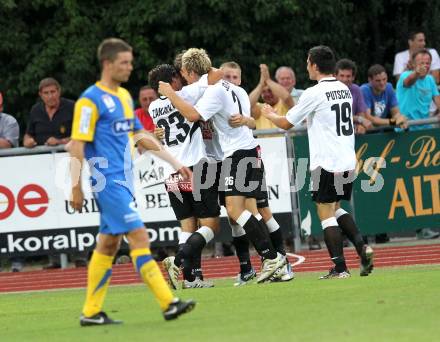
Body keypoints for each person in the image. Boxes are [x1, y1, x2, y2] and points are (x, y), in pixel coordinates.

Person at [69, 38, 195, 326]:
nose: (130, 67)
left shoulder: (125, 97)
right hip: (107, 183)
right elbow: (77, 145)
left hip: (125, 181)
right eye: (124, 62)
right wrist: (75, 187)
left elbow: (142, 136)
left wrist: (176, 163)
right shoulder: (90, 100)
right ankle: (168, 302)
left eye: (130, 61)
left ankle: (90, 312)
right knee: (139, 236)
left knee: (108, 245)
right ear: (107, 64)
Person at [159, 48, 287, 284]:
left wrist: (169, 93)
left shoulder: (214, 91)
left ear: (189, 71)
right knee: (240, 211)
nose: (184, 78)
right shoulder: (234, 87)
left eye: (185, 73)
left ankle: (273, 259)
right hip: (245, 152)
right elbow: (244, 117)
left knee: (237, 211)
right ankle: (270, 261)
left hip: (237, 155)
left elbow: (190, 115)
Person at [261, 45, 374, 279]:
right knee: (336, 207)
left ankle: (340, 268)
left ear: (313, 65)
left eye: (307, 62)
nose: (306, 66)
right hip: (346, 160)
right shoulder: (343, 88)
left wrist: (270, 114)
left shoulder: (314, 92)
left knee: (325, 213)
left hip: (326, 161)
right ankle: (362, 247)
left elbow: (286, 123)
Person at [148, 62, 223, 289]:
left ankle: (191, 279)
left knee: (187, 226)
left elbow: (160, 133)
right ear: (172, 79)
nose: (182, 78)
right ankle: (178, 261)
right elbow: (216, 75)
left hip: (170, 172)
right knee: (211, 223)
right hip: (195, 167)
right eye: (178, 75)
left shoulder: (153, 107)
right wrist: (199, 63)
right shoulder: (186, 94)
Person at [220, 61, 294, 284]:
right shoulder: (233, 96)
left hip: (246, 156)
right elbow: (251, 117)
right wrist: (260, 85)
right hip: (240, 156)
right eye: (227, 77)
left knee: (258, 211)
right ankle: (256, 267)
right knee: (249, 214)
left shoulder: (237, 95)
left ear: (240, 79)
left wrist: (265, 82)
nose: (231, 81)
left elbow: (250, 120)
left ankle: (278, 261)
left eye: (235, 77)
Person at [396, 49, 440, 240]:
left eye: (427, 62)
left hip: (426, 135)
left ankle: (426, 226)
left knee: (426, 181)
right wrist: (416, 73)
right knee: (410, 182)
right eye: (421, 62)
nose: (425, 65)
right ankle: (419, 228)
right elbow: (408, 82)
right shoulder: (406, 76)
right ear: (413, 63)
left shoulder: (430, 80)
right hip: (406, 135)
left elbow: (437, 101)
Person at [23, 78, 74, 148]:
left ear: (59, 92)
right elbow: (28, 134)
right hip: (41, 157)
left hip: (67, 154)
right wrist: (27, 141)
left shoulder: (72, 107)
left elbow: (82, 136)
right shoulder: (35, 110)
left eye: (53, 92)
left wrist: (60, 142)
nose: (50, 96)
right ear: (40, 95)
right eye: (46, 93)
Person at [360, 64, 408, 129]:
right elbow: (368, 118)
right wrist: (392, 122)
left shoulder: (389, 87)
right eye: (378, 81)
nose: (382, 83)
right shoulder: (364, 90)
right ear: (370, 80)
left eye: (384, 79)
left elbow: (395, 112)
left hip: (381, 130)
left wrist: (400, 119)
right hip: (366, 132)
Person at [249, 64, 294, 130]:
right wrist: (261, 84)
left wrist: (268, 80)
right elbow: (248, 104)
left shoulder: (284, 104)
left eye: (270, 91)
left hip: (285, 140)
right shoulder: (260, 108)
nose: (267, 94)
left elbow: (287, 97)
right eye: (263, 92)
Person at [335, 59, 372, 134]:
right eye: (342, 76)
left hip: (351, 133)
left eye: (348, 76)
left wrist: (360, 125)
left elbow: (361, 113)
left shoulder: (356, 90)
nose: (345, 79)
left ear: (353, 77)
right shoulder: (328, 90)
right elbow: (336, 117)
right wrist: (359, 119)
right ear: (335, 76)